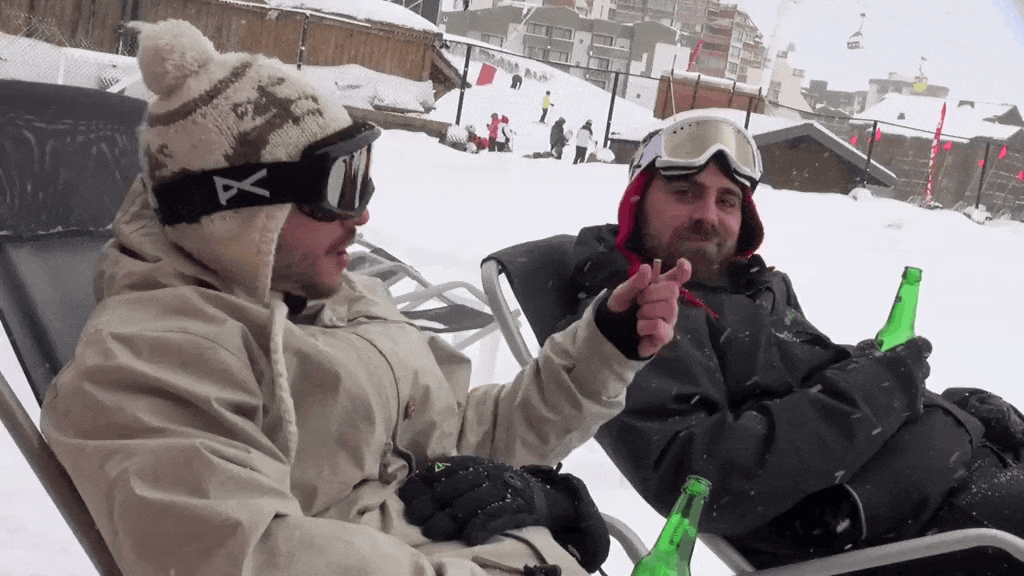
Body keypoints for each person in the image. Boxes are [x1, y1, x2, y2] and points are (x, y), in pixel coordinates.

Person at [39, 19, 692, 576]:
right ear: (240, 211)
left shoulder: (338, 299)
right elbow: (254, 558)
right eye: (338, 189)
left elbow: (459, 435)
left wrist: (601, 351)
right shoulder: (147, 364)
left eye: (365, 181)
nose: (362, 217)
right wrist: (527, 555)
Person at [562, 109, 1024, 575]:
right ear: (638, 200)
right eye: (685, 193)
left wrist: (954, 409)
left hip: (934, 471)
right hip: (908, 530)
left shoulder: (744, 288)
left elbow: (804, 377)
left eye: (727, 200)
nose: (707, 215)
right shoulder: (635, 316)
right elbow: (699, 478)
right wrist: (881, 388)